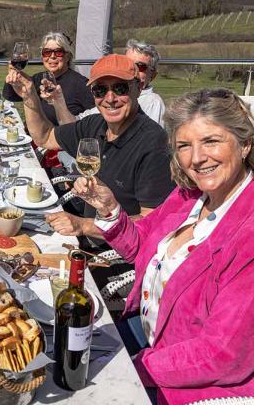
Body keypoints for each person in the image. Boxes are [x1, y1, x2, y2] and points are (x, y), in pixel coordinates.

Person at [69, 88, 254, 403]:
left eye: (211, 141)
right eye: (184, 145)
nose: (196, 158)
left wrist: (132, 366)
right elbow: (142, 247)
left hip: (193, 384)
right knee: (63, 346)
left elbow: (222, 354)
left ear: (245, 143)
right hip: (149, 336)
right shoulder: (190, 196)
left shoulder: (247, 234)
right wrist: (109, 209)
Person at [5, 53, 174, 245]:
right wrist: (29, 96)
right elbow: (44, 137)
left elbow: (151, 223)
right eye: (100, 90)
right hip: (85, 233)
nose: (110, 98)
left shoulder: (153, 144)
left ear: (139, 88)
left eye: (120, 88)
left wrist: (83, 225)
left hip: (113, 253)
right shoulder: (95, 124)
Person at [45, 39, 166, 127]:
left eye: (140, 66)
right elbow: (74, 125)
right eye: (127, 63)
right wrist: (58, 101)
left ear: (153, 75)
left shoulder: (152, 102)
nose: (131, 69)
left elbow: (149, 145)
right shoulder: (110, 96)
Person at [2, 31, 94, 126]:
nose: (52, 56)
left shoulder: (81, 83)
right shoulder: (39, 78)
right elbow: (10, 96)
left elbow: (96, 118)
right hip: (34, 136)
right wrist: (12, 75)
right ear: (42, 57)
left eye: (58, 52)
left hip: (62, 138)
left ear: (67, 57)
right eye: (47, 52)